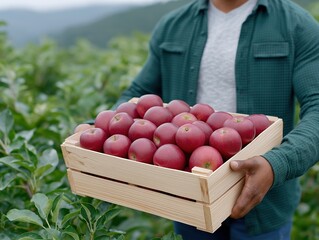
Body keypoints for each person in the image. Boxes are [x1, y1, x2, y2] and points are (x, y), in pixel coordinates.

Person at [79, 0, 319, 239]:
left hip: (264, 202)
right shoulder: (173, 26)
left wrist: (277, 164)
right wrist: (97, 130)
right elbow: (139, 93)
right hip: (189, 197)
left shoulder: (295, 25)